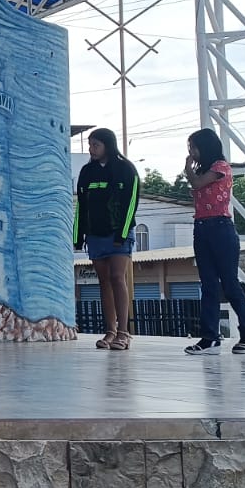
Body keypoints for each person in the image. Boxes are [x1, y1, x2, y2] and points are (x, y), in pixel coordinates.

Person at [183, 128, 245, 355]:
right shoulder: (204, 170)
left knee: (229, 283)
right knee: (208, 285)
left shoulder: (220, 167)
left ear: (205, 147)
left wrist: (188, 167)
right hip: (201, 227)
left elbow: (198, 184)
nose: (192, 152)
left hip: (220, 227)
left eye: (194, 147)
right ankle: (210, 337)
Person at [73, 127, 140, 351]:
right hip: (95, 234)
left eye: (96, 145)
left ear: (107, 145)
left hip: (118, 234)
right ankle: (110, 331)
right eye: (90, 145)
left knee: (117, 277)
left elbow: (132, 203)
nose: (91, 149)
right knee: (103, 281)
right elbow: (81, 205)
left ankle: (123, 332)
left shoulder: (125, 169)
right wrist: (78, 235)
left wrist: (122, 234)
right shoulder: (87, 172)